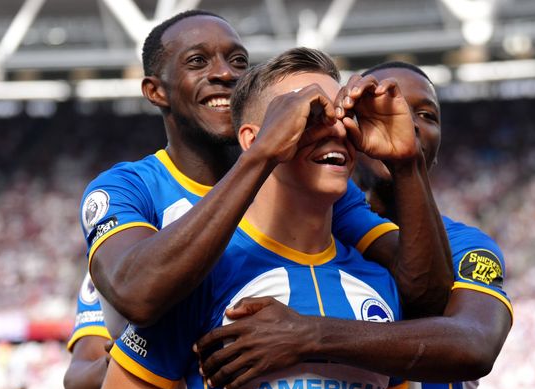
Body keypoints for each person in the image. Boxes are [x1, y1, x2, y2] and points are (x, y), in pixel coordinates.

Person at [89, 47, 419, 389]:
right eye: (310, 115)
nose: (336, 129)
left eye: (344, 116)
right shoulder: (196, 275)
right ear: (255, 139)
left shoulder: (378, 281)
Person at [81, 9, 454, 337]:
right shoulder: (127, 189)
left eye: (239, 61)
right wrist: (261, 156)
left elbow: (424, 297)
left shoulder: (308, 188)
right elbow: (137, 296)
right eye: (198, 61)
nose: (225, 73)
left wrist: (407, 166)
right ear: (155, 91)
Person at [195, 62, 513, 389]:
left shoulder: (467, 245)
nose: (406, 122)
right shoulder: (337, 219)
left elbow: (472, 345)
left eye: (426, 115)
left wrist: (309, 334)